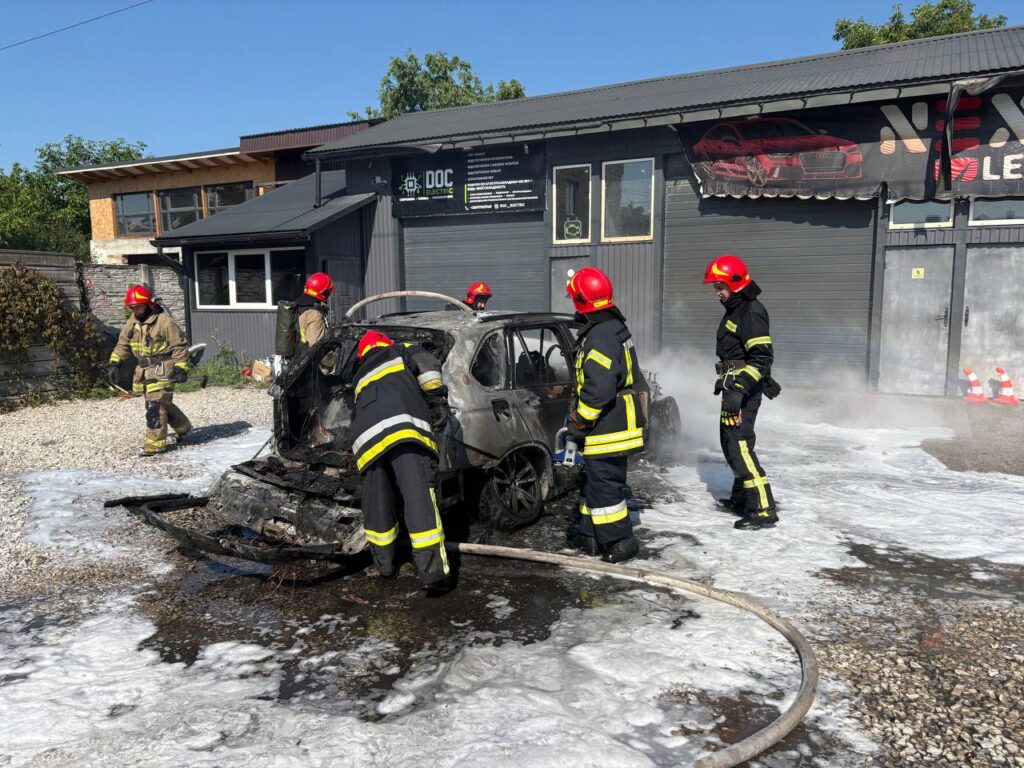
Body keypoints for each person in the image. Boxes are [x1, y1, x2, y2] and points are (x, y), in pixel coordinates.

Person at [349, 329, 452, 593]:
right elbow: (428, 367)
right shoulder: (402, 348)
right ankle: (433, 575)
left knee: (377, 502)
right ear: (386, 342)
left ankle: (385, 567)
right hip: (405, 431)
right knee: (418, 499)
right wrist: (436, 398)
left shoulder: (359, 375)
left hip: (367, 442)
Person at [564, 266, 645, 563]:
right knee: (593, 480)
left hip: (608, 424)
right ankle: (590, 535)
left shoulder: (600, 335)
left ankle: (620, 541)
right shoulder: (611, 326)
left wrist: (580, 421)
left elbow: (598, 389)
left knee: (604, 484)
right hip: (615, 420)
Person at [704, 254, 780, 530]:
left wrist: (737, 388)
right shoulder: (736, 309)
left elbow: (761, 358)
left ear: (735, 284)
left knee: (739, 447)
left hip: (743, 393)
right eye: (715, 288)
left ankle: (762, 509)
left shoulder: (751, 312)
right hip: (734, 388)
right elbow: (737, 353)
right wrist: (725, 378)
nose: (717, 293)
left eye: (720, 287)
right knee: (730, 444)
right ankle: (741, 499)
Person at [107, 285, 192, 456]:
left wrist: (181, 368)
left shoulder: (164, 321)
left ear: (149, 304)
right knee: (162, 403)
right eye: (132, 307)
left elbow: (179, 346)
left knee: (154, 405)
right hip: (144, 370)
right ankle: (184, 427)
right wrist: (114, 363)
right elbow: (123, 344)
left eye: (138, 306)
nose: (135, 310)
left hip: (163, 368)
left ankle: (155, 445)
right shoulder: (132, 322)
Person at [295, 272, 334, 352]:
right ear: (323, 292)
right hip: (309, 362)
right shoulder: (314, 314)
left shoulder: (298, 306)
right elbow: (315, 348)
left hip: (296, 358)